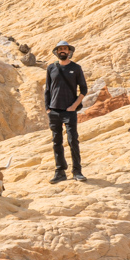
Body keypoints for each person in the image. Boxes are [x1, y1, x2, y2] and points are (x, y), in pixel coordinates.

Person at [45, 40, 87, 183]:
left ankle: (77, 171)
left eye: (65, 49)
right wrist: (48, 108)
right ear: (57, 52)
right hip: (54, 111)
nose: (63, 51)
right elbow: (47, 90)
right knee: (56, 142)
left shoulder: (76, 68)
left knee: (72, 140)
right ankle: (60, 171)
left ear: (69, 51)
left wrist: (74, 106)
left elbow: (84, 89)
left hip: (69, 111)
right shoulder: (51, 68)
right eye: (60, 49)